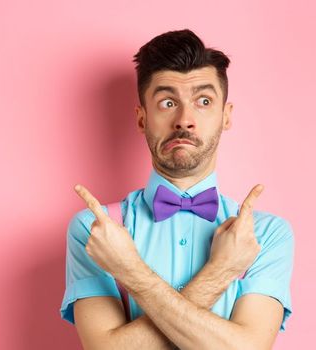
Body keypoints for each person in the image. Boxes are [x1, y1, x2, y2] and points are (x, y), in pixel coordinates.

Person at [61, 29, 294, 349]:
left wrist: (131, 273)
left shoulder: (264, 235)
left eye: (203, 101)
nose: (185, 119)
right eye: (168, 102)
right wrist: (221, 271)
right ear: (142, 119)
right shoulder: (96, 231)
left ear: (225, 117)